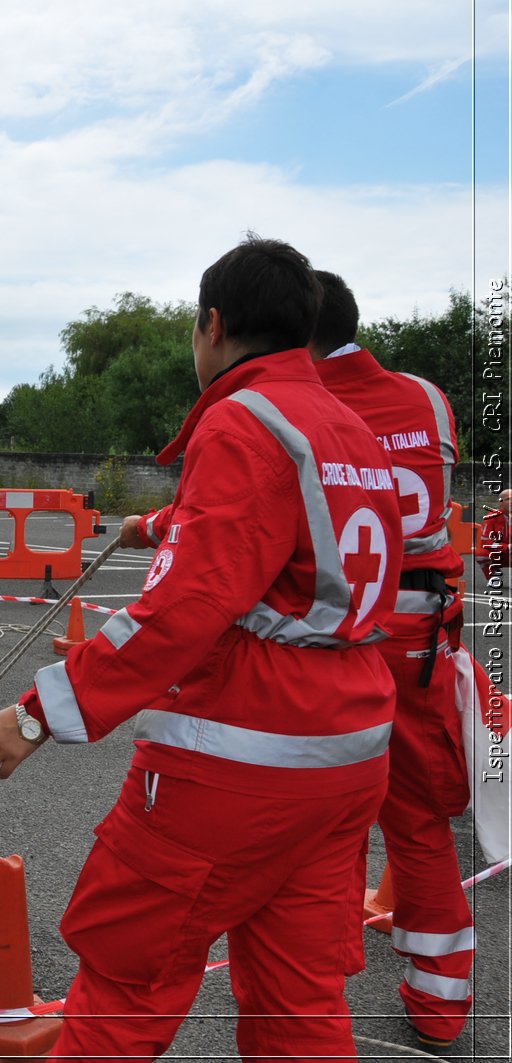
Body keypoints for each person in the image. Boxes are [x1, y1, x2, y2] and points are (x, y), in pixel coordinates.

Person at [0, 237, 402, 1061]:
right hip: (345, 756)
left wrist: (33, 717)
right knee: (298, 1002)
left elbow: (181, 610)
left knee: (127, 985)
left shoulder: (243, 419)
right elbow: (287, 541)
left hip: (239, 758)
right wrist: (164, 524)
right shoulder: (349, 428)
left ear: (213, 325)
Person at [309, 270, 474, 1050]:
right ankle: (443, 1003)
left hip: (342, 630)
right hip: (424, 632)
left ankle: (319, 984)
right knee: (418, 822)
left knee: (328, 814)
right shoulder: (428, 396)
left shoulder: (304, 405)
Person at [480, 488, 512, 582]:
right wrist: (507, 547)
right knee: (481, 554)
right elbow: (485, 541)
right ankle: (494, 575)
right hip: (501, 553)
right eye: (508, 499)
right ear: (500, 503)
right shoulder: (492, 516)